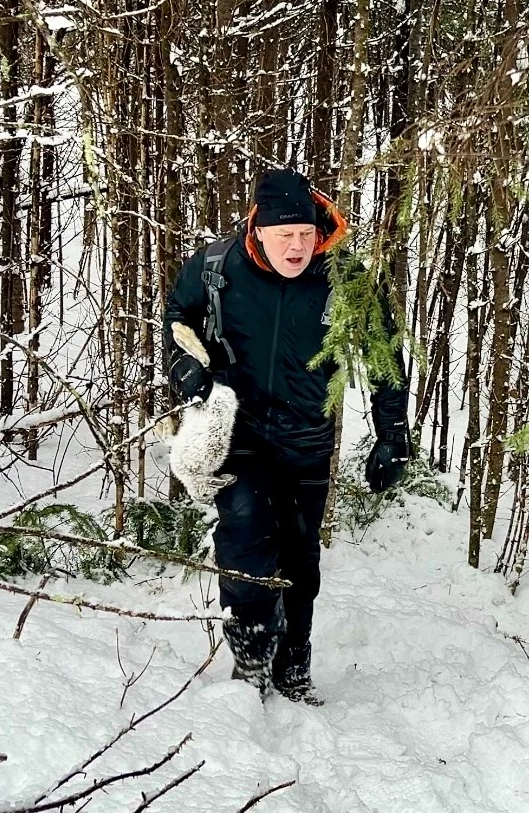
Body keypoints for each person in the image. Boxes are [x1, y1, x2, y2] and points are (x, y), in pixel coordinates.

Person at [163, 168, 409, 705]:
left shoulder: (345, 278)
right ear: (259, 230)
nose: (297, 247)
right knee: (246, 539)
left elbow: (384, 355)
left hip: (307, 437)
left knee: (299, 559)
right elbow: (178, 316)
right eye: (284, 236)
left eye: (305, 234)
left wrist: (392, 435)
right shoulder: (216, 267)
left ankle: (293, 663)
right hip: (239, 430)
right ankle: (251, 659)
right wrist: (183, 367)